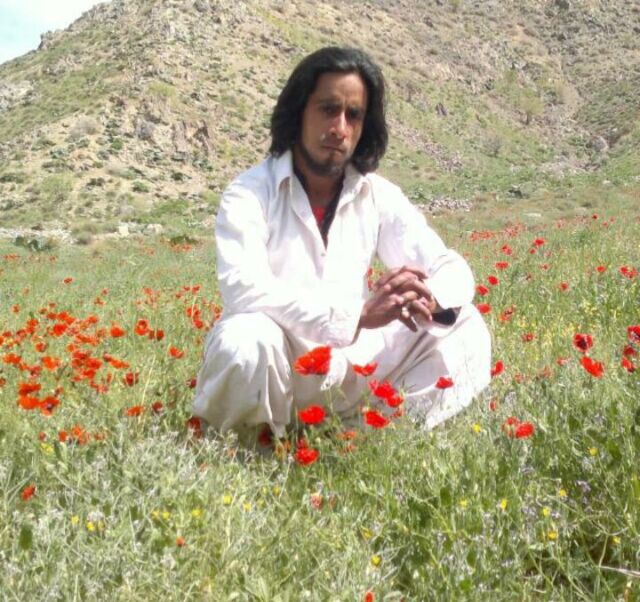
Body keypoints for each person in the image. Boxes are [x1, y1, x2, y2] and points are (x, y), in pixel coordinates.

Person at [193, 46, 491, 440]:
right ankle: (251, 448)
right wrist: (357, 316)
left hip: (351, 366)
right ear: (299, 112)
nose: (340, 128)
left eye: (353, 115)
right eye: (328, 109)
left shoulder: (377, 195)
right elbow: (244, 289)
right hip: (282, 363)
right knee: (244, 341)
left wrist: (428, 296)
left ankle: (369, 440)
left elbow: (449, 266)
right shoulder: (250, 193)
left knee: (464, 324)